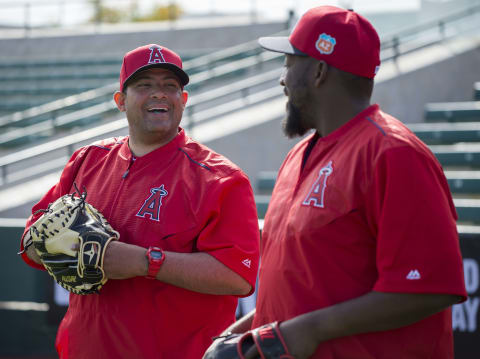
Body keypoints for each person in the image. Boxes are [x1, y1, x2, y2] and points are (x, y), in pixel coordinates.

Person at [216, 6, 467, 359]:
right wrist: (243, 332)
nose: (282, 79)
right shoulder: (300, 153)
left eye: (289, 64)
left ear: (319, 71)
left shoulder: (393, 153)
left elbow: (428, 289)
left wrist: (305, 331)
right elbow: (311, 287)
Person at [19, 44, 260, 358]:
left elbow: (237, 276)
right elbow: (31, 241)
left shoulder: (221, 178)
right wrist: (61, 250)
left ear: (183, 100)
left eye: (169, 86)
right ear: (120, 101)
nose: (159, 93)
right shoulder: (87, 160)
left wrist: (145, 262)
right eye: (144, 85)